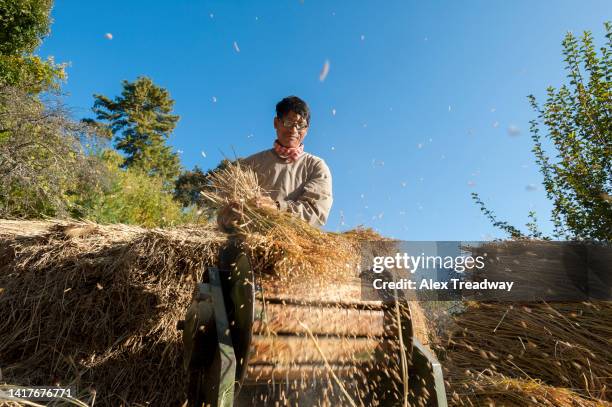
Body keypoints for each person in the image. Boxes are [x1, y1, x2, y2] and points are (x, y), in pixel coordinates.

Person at [218, 96, 333, 229]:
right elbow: (222, 211)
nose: (294, 130)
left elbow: (315, 212)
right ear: (276, 123)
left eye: (300, 125)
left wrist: (277, 208)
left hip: (293, 244)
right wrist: (233, 212)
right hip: (247, 240)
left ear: (306, 130)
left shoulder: (316, 166)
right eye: (288, 122)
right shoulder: (249, 165)